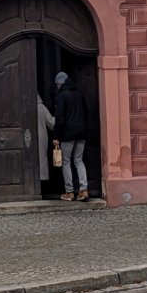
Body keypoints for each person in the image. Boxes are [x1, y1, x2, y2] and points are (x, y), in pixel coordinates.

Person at [50, 69, 89, 201]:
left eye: (57, 85)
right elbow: (86, 112)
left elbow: (60, 118)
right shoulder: (78, 93)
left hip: (67, 134)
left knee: (66, 162)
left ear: (60, 84)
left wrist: (56, 136)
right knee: (78, 160)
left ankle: (69, 192)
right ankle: (83, 190)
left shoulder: (62, 96)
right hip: (82, 132)